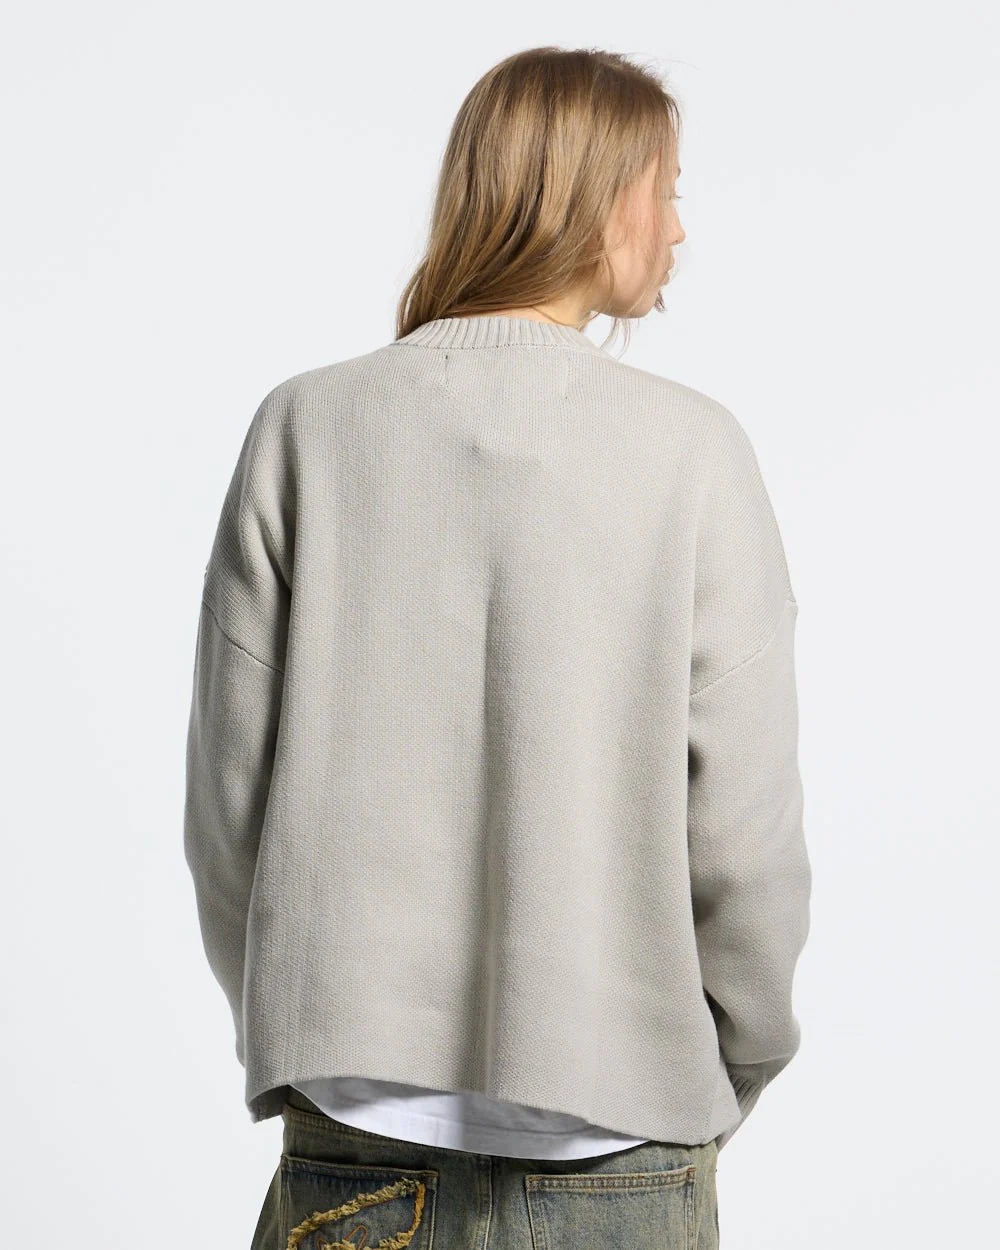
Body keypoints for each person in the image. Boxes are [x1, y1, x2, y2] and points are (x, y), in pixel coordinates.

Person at [183, 45, 812, 1250]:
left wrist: (313, 1022)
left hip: (354, 1125)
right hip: (619, 1138)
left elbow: (227, 809)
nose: (679, 229)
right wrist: (722, 1060)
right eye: (668, 189)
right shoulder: (691, 451)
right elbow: (744, 829)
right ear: (599, 198)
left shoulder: (306, 425)